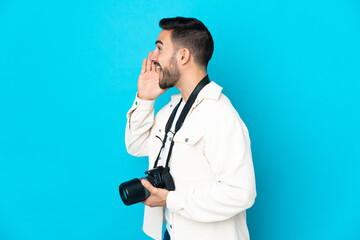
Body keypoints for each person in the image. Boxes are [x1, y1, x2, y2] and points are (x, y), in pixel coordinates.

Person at [125, 17, 256, 240]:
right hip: (173, 232)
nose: (152, 56)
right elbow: (136, 146)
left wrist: (169, 200)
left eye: (159, 48)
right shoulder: (171, 110)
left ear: (184, 56)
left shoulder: (219, 114)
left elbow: (241, 193)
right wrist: (145, 99)